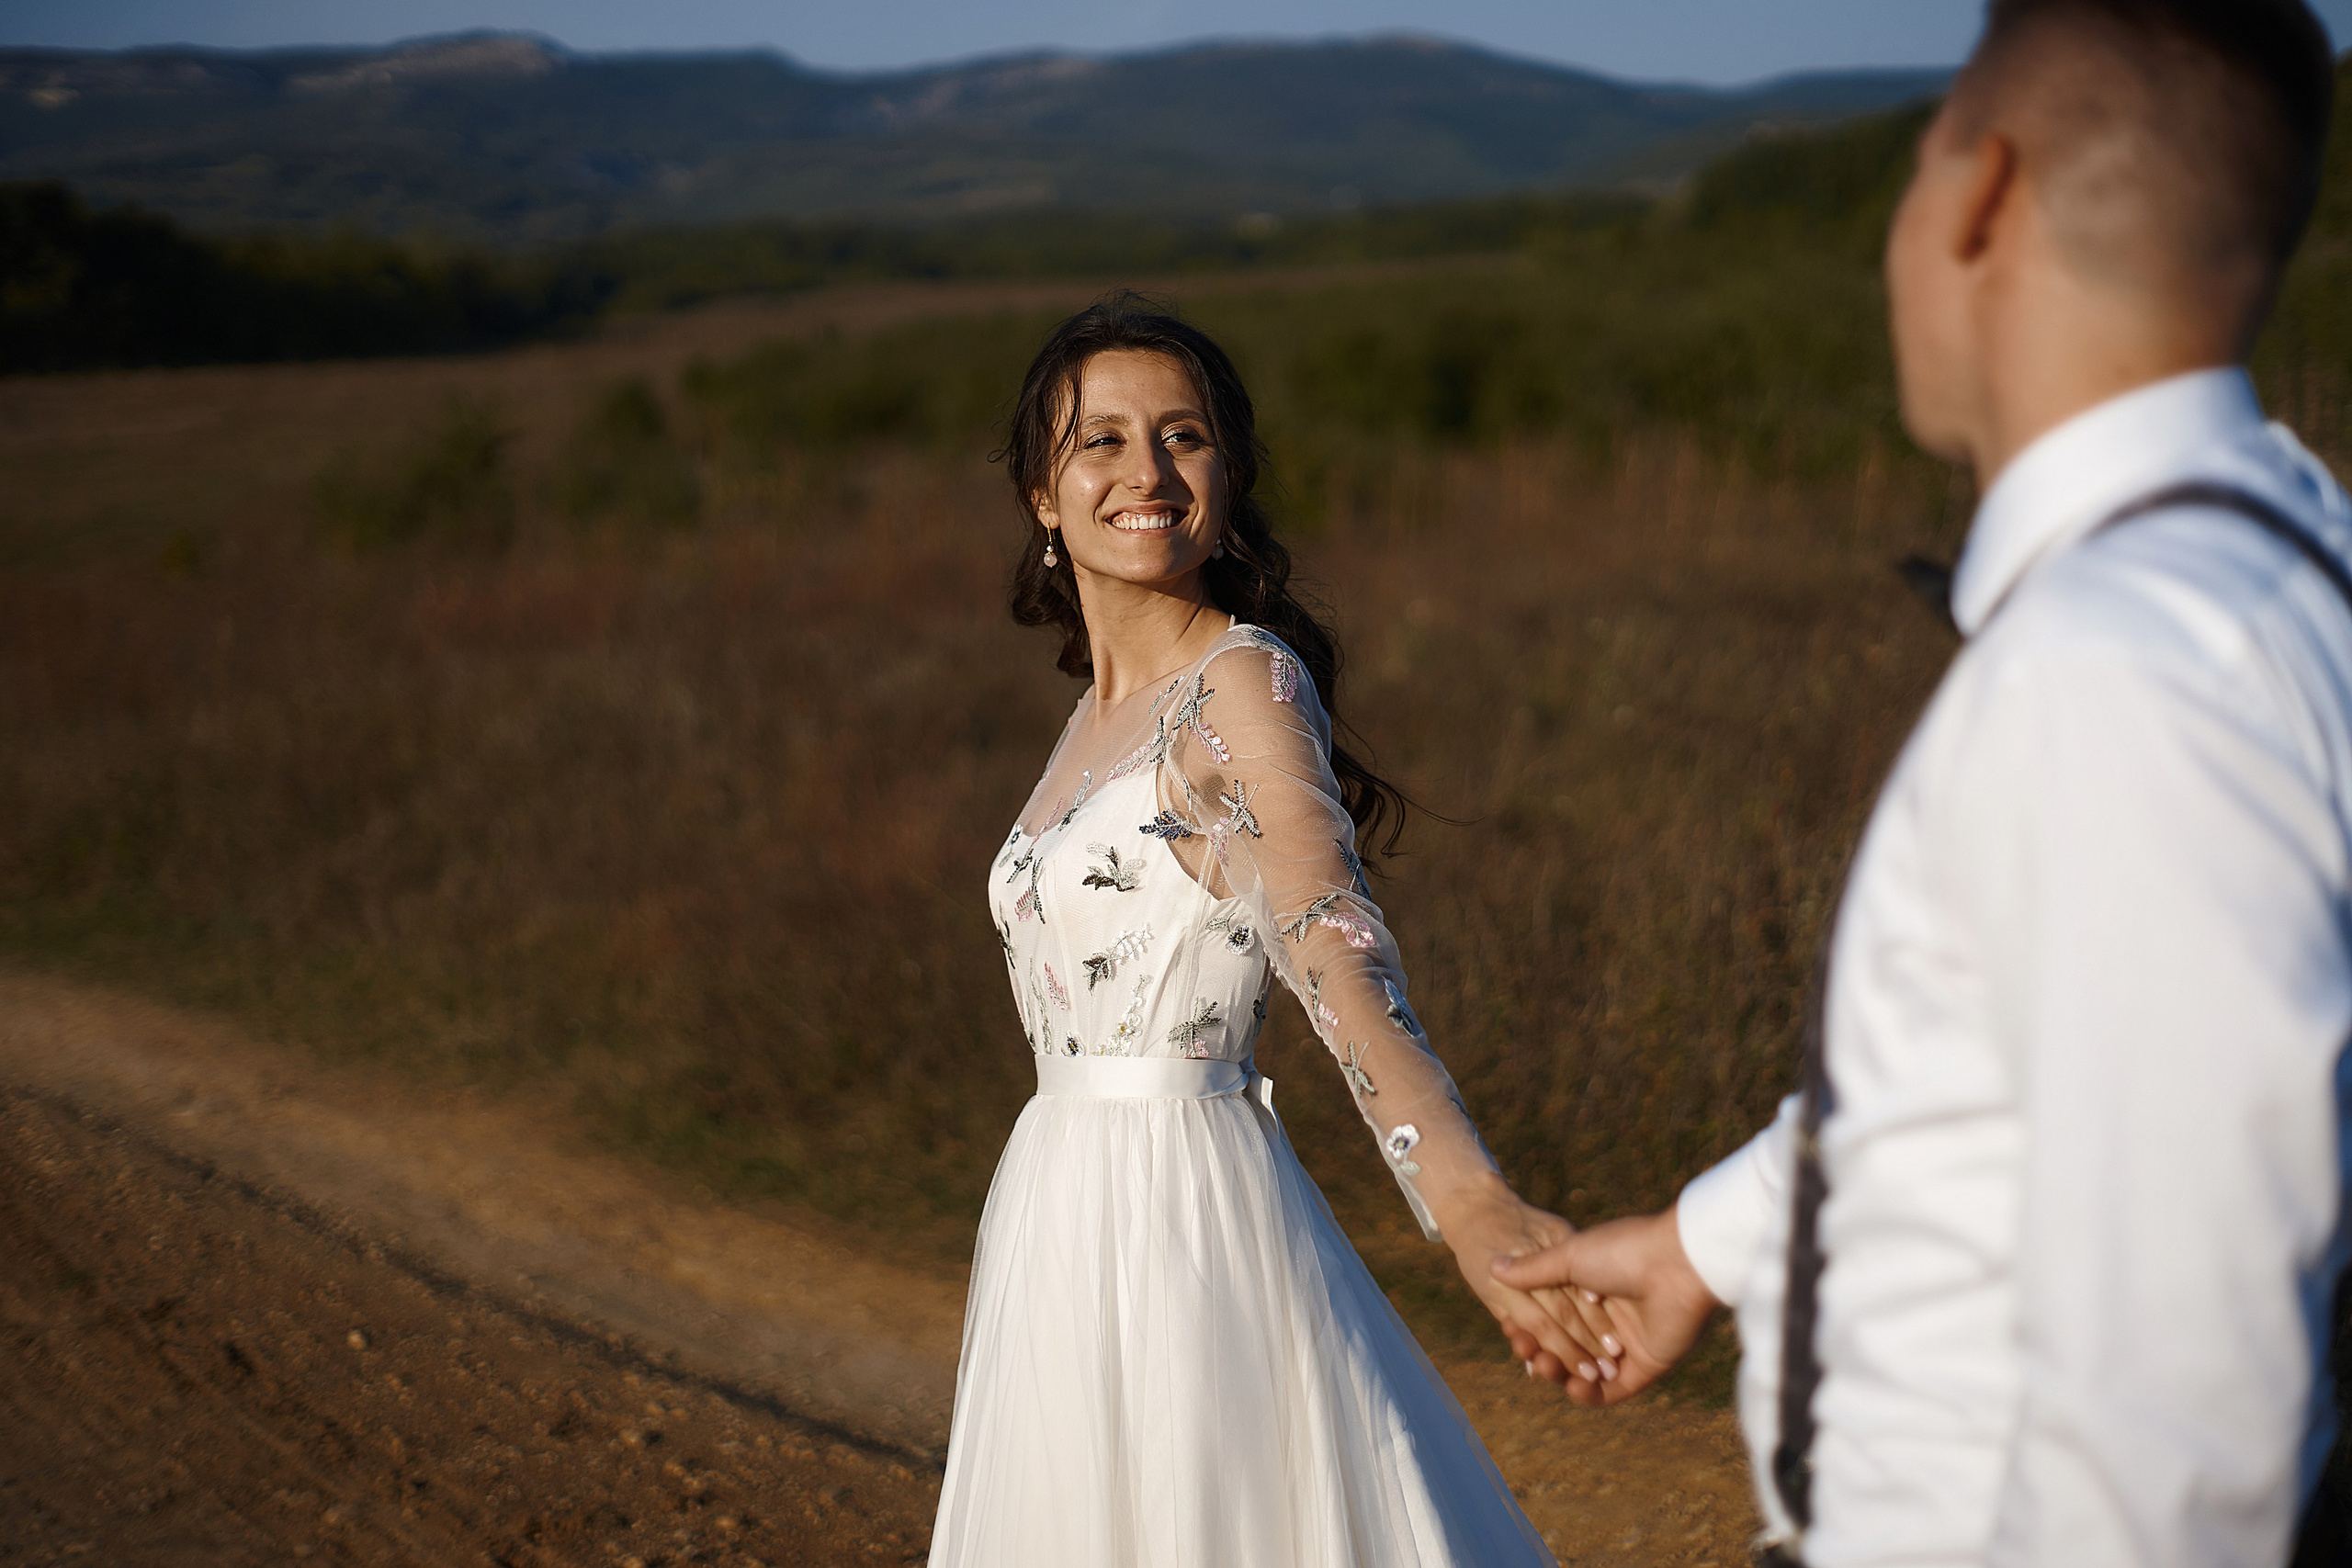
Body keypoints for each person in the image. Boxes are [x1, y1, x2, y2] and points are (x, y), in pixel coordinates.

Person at [1493, 3, 2351, 1564]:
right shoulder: (2283, 567)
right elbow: (2038, 1054)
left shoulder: (2120, 672)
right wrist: (1720, 1237)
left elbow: (2187, 1378)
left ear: (1981, 195)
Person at [925, 296, 1609, 1567]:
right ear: (1040, 490)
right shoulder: (1090, 720)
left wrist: (1466, 1201)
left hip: (1178, 1207)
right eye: (1101, 442)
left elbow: (1326, 932)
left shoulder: (1238, 681)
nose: (1146, 472)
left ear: (1226, 476)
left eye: (1182, 437)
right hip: (1056, 1202)